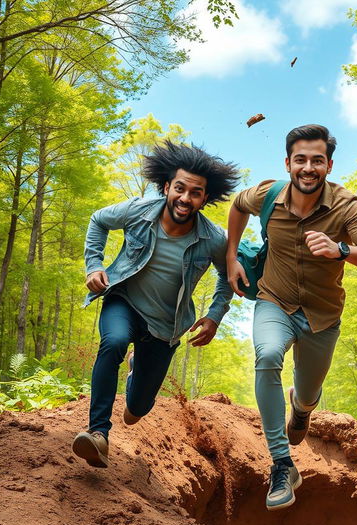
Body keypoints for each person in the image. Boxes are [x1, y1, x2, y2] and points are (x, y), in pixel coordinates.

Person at [226, 124, 357, 510]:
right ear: (288, 163)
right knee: (267, 357)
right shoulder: (267, 196)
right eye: (300, 159)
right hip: (274, 300)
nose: (308, 167)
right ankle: (282, 465)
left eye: (317, 160)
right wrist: (232, 256)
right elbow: (236, 205)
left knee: (309, 391)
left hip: (322, 315)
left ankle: (301, 407)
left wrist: (341, 250)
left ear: (329, 165)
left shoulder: (346, 206)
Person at [72, 140, 239, 468]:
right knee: (114, 342)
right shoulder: (138, 210)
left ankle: (137, 381)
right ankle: (98, 434)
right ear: (166, 187)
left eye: (195, 193)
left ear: (205, 198)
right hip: (124, 301)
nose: (185, 198)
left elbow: (228, 274)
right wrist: (94, 265)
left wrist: (214, 316)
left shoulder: (213, 239)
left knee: (137, 410)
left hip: (166, 327)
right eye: (180, 188)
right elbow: (98, 221)